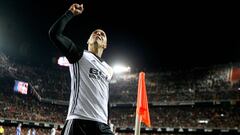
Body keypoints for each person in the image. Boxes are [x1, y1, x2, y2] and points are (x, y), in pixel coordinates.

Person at [49, 2, 114, 135]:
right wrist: (70, 13)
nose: (98, 34)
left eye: (102, 34)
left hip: (102, 125)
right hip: (78, 121)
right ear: (88, 41)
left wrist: (107, 121)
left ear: (105, 45)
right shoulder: (79, 55)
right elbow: (54, 34)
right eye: (95, 33)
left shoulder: (109, 69)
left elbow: (104, 96)